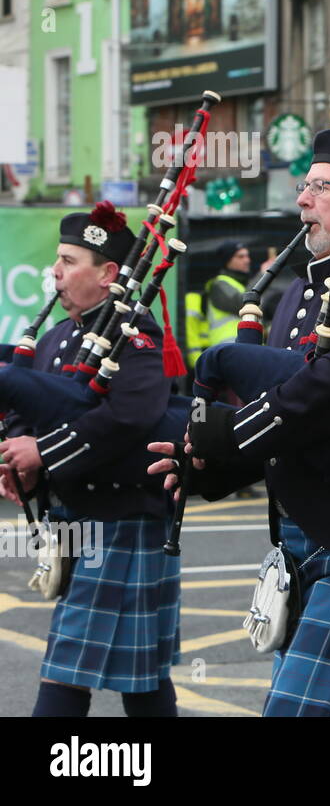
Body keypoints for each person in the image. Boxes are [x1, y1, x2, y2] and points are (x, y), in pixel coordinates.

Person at [150, 115, 330, 717]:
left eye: (321, 187)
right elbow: (274, 413)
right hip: (301, 538)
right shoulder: (301, 292)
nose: (302, 200)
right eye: (304, 186)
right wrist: (206, 465)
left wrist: (233, 436)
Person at [0, 202, 180, 717]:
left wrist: (44, 450)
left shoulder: (135, 335)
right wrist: (21, 458)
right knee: (141, 679)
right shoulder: (58, 337)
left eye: (68, 260)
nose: (54, 272)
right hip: (79, 522)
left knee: (66, 669)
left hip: (124, 519)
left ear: (107, 275)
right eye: (55, 259)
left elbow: (130, 416)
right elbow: (29, 403)